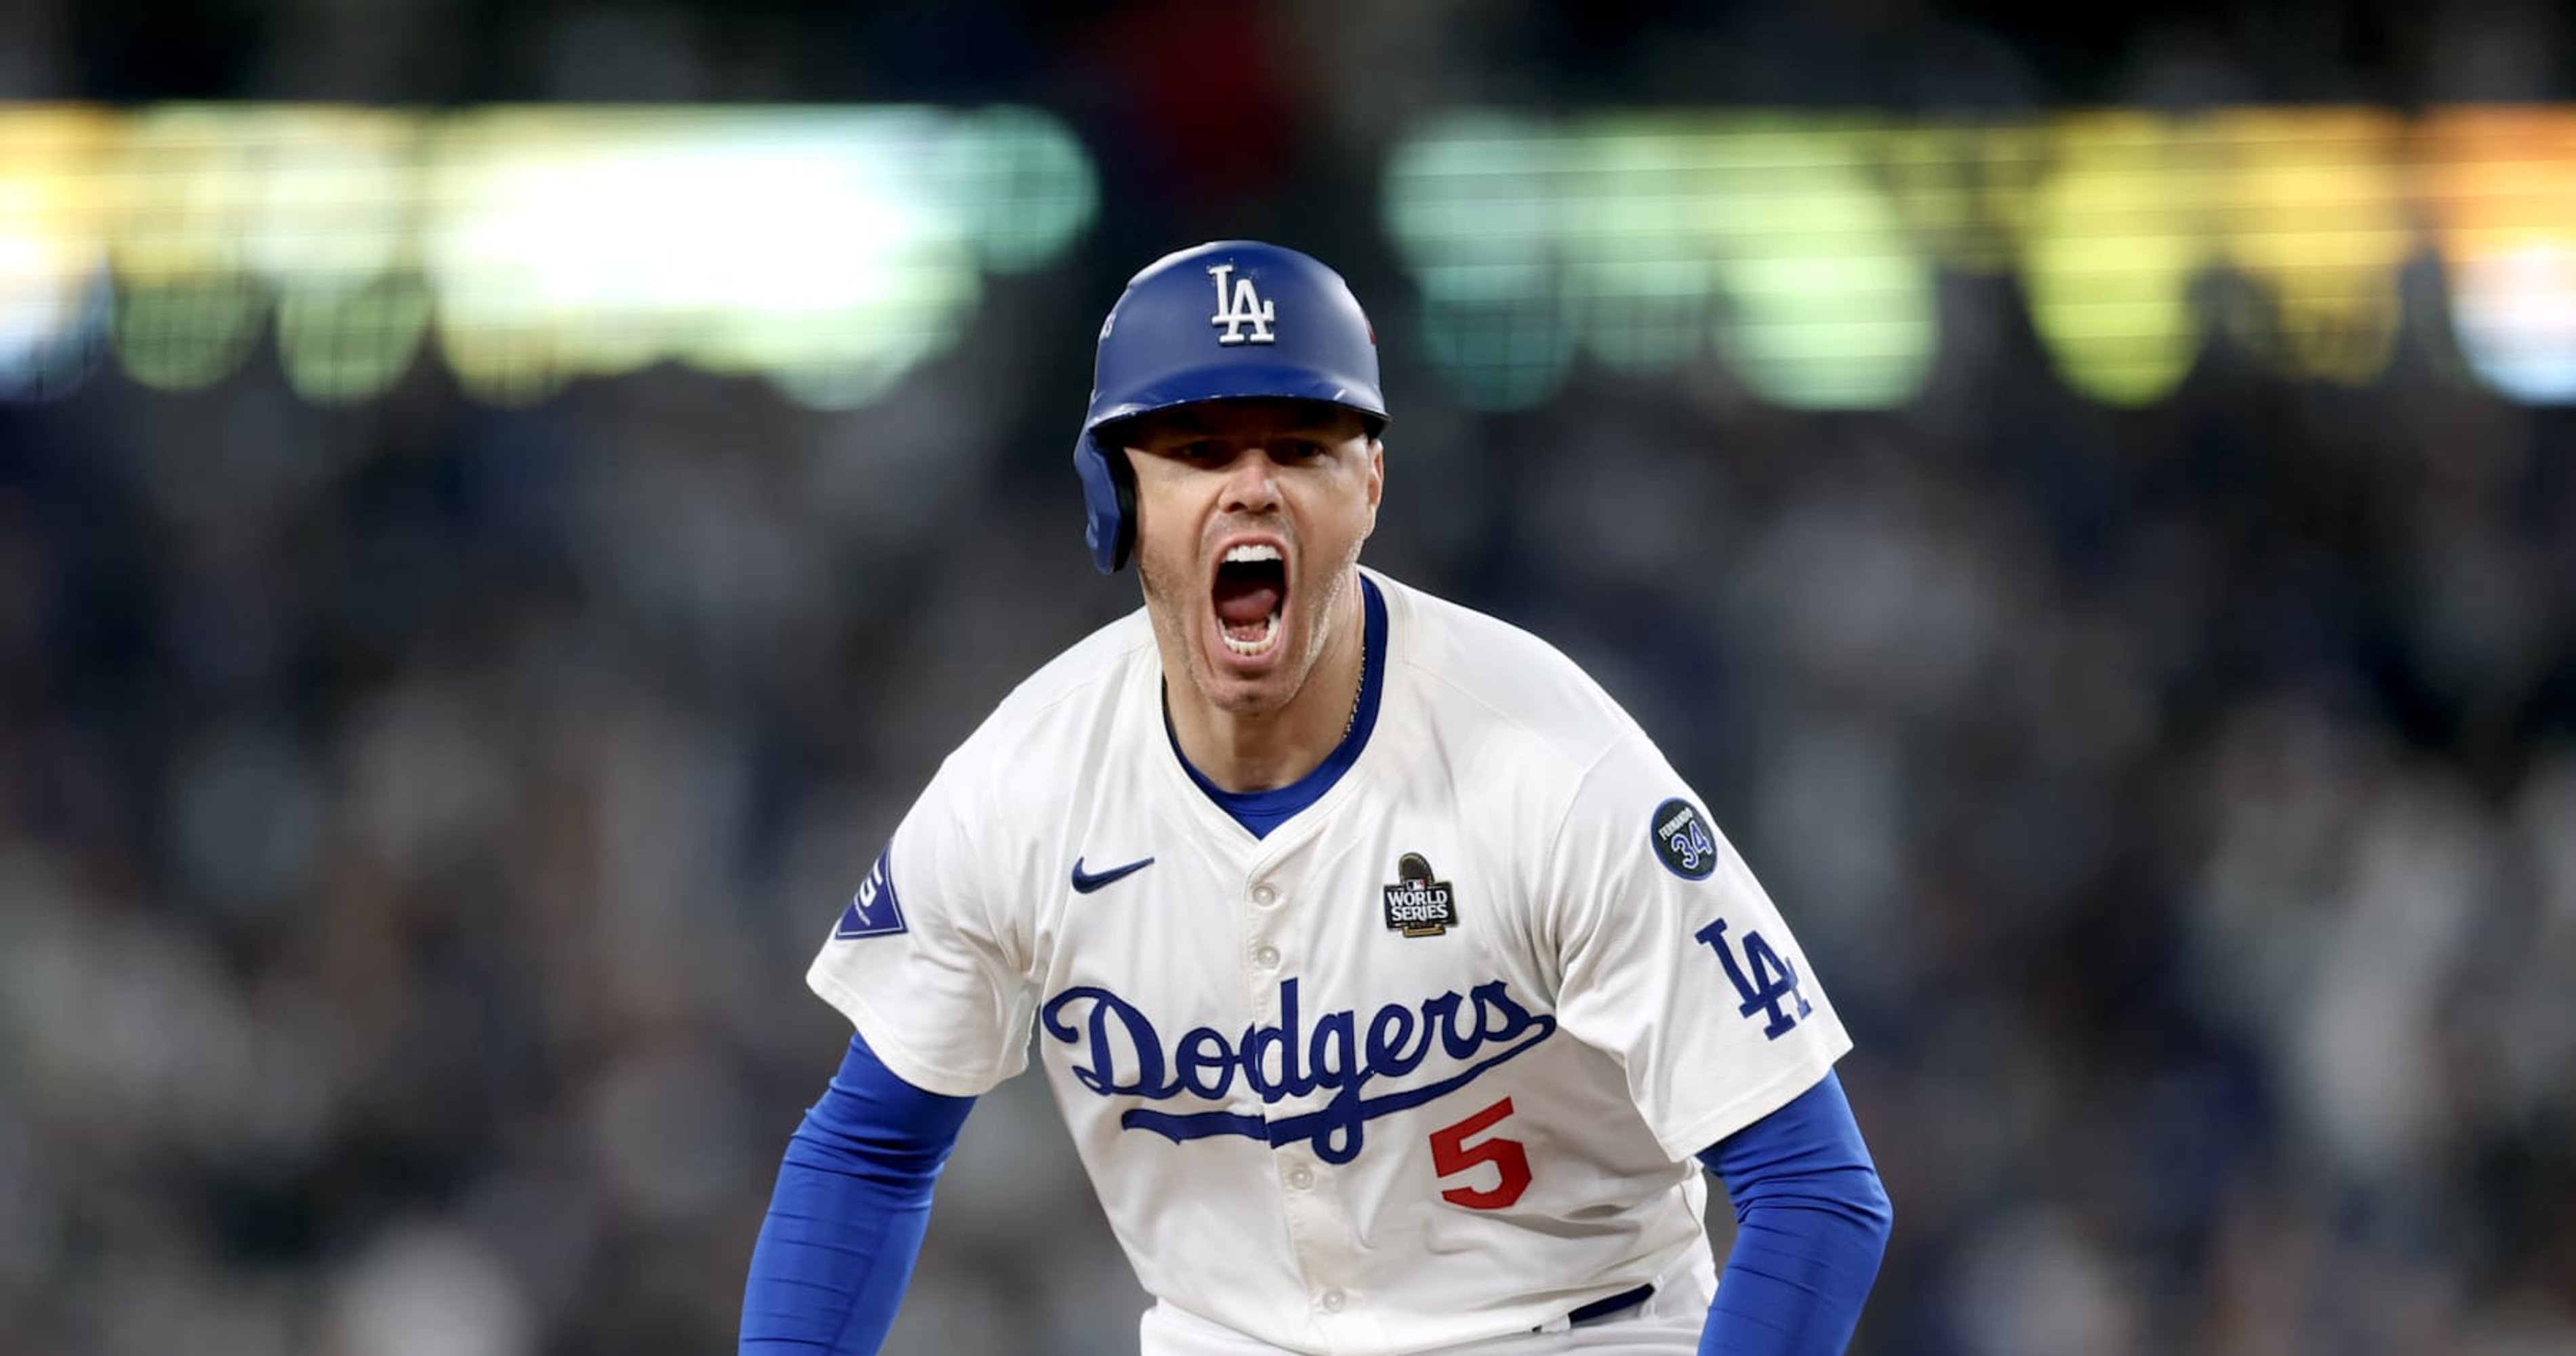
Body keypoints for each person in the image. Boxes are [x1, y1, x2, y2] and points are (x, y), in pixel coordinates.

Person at [738, 240, 1893, 1356]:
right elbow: (867, 1156)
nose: (1252, 488)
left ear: (1371, 482)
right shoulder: (1020, 791)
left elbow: (1817, 1193)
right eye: (1197, 449)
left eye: (1300, 447)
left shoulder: (1550, 765)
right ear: (1117, 493)